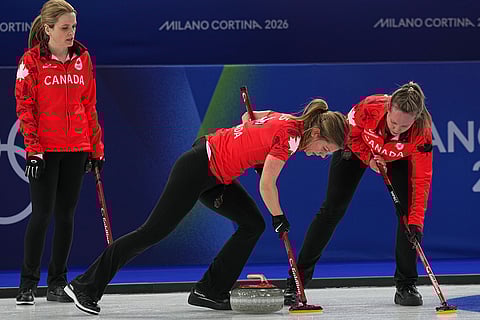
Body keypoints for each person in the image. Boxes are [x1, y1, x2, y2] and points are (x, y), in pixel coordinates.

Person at [63, 98, 348, 315]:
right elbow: (267, 186)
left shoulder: (287, 120)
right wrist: (279, 217)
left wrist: (257, 154)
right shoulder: (290, 138)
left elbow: (248, 117)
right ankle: (84, 286)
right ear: (315, 133)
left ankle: (210, 291)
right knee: (151, 232)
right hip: (198, 167)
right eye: (325, 150)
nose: (322, 156)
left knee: (252, 225)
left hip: (216, 175)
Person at [283, 82, 433, 307]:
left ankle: (406, 285)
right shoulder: (370, 107)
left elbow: (421, 180)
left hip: (397, 159)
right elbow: (349, 136)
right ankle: (297, 282)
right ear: (389, 107)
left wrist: (416, 223)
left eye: (404, 126)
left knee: (407, 218)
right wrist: (369, 159)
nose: (396, 129)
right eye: (393, 122)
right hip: (356, 149)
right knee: (332, 210)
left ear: (416, 118)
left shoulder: (422, 134)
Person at [15, 0, 105, 305]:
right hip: (46, 150)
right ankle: (27, 284)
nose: (71, 33)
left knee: (66, 216)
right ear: (47, 29)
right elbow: (25, 109)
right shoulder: (31, 61)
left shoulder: (83, 58)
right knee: (41, 215)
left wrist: (96, 148)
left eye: (74, 27)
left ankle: (57, 283)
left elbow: (90, 106)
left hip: (77, 147)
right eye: (65, 28)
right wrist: (34, 151)